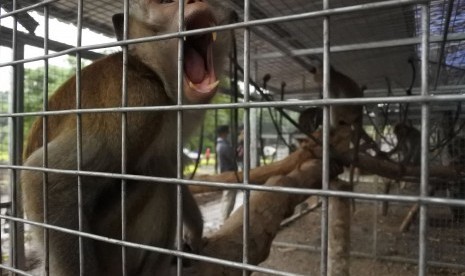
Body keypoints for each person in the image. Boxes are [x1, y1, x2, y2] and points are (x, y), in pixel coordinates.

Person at [216, 125, 238, 221]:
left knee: (228, 197)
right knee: (228, 197)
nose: (228, 134)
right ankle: (224, 220)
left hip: (226, 172)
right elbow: (232, 156)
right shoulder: (223, 146)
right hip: (228, 173)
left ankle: (224, 218)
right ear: (223, 133)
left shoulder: (221, 144)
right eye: (227, 132)